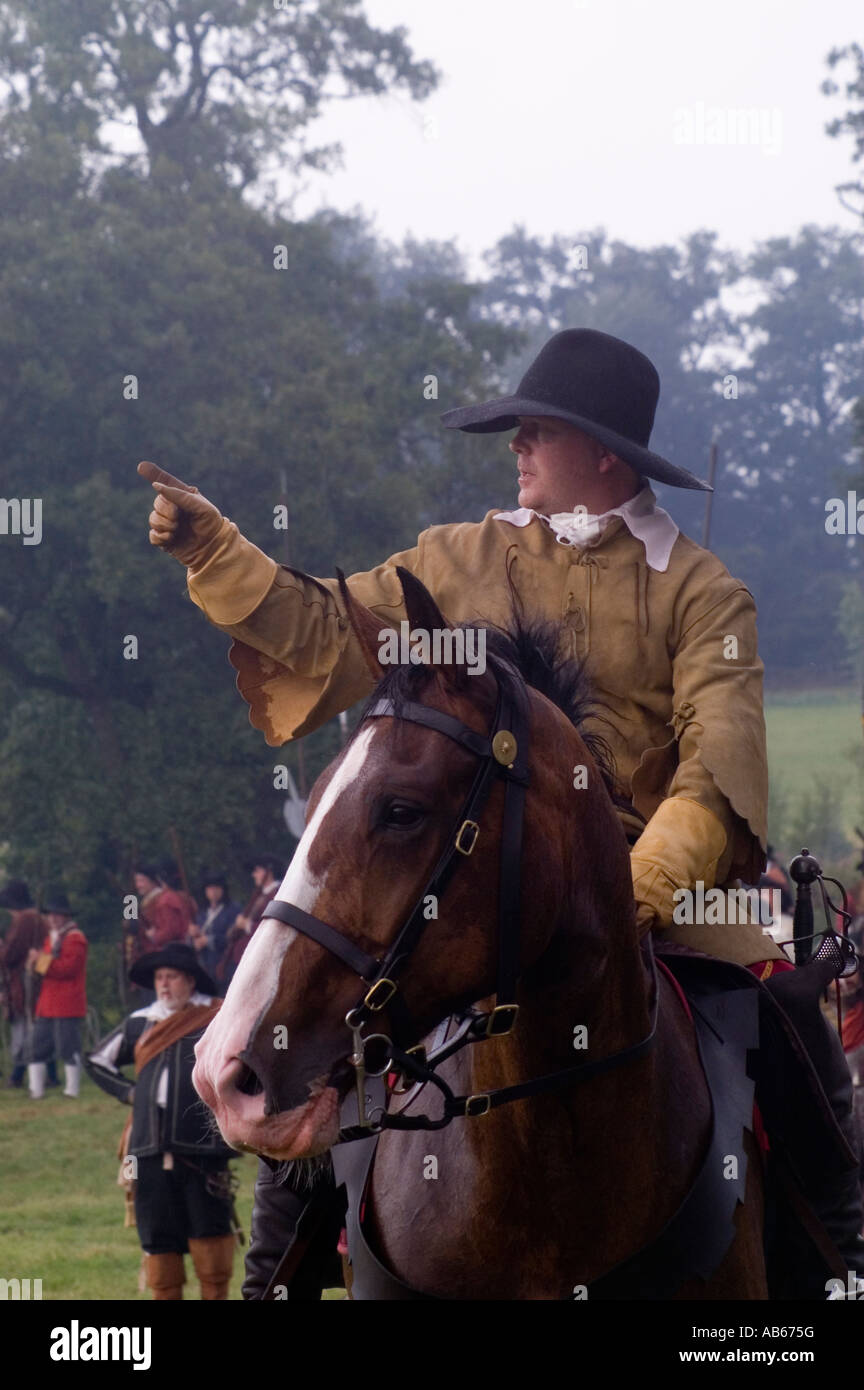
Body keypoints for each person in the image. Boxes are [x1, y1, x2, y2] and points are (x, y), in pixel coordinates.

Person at [138, 326, 863, 1287]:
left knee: (784, 1015)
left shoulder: (704, 594)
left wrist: (626, 892)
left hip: (669, 903)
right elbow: (328, 635)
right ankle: (281, 1270)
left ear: (603, 451)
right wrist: (222, 556)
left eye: (536, 429)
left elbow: (715, 784)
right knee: (347, 1041)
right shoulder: (457, 559)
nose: (516, 444)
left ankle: (836, 1257)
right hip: (481, 895)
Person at [84, 942, 239, 1300]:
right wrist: (129, 1094)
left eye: (171, 977)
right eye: (159, 978)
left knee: (212, 1248)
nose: (164, 985)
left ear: (189, 980)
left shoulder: (216, 1018)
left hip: (204, 1149)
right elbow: (96, 1061)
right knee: (158, 1243)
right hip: (147, 1152)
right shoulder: (141, 1024)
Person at [27, 891, 88, 1100]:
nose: (52, 918)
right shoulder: (51, 938)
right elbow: (45, 969)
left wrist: (40, 960)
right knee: (38, 1046)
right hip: (48, 1001)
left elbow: (67, 969)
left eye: (57, 914)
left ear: (66, 916)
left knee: (68, 1047)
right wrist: (35, 963)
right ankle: (36, 1091)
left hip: (67, 1001)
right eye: (50, 914)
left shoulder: (75, 939)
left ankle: (72, 1090)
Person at [0, 879, 46, 1088]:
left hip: (24, 980)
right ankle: (47, 1074)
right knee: (37, 1027)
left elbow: (10, 955)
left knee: (26, 1028)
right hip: (37, 976)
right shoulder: (39, 917)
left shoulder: (25, 919)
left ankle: (18, 1074)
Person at [217, 855, 282, 988]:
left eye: (257, 870)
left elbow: (273, 925)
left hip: (259, 958)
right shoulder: (260, 894)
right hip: (244, 957)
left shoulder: (278, 893)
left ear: (268, 872)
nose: (254, 875)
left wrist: (247, 925)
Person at [189, 874, 239, 992]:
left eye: (216, 888)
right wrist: (192, 937)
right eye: (209, 888)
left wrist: (208, 940)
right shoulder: (202, 912)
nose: (213, 892)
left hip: (226, 964)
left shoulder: (233, 910)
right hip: (206, 966)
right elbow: (192, 941)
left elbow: (234, 938)